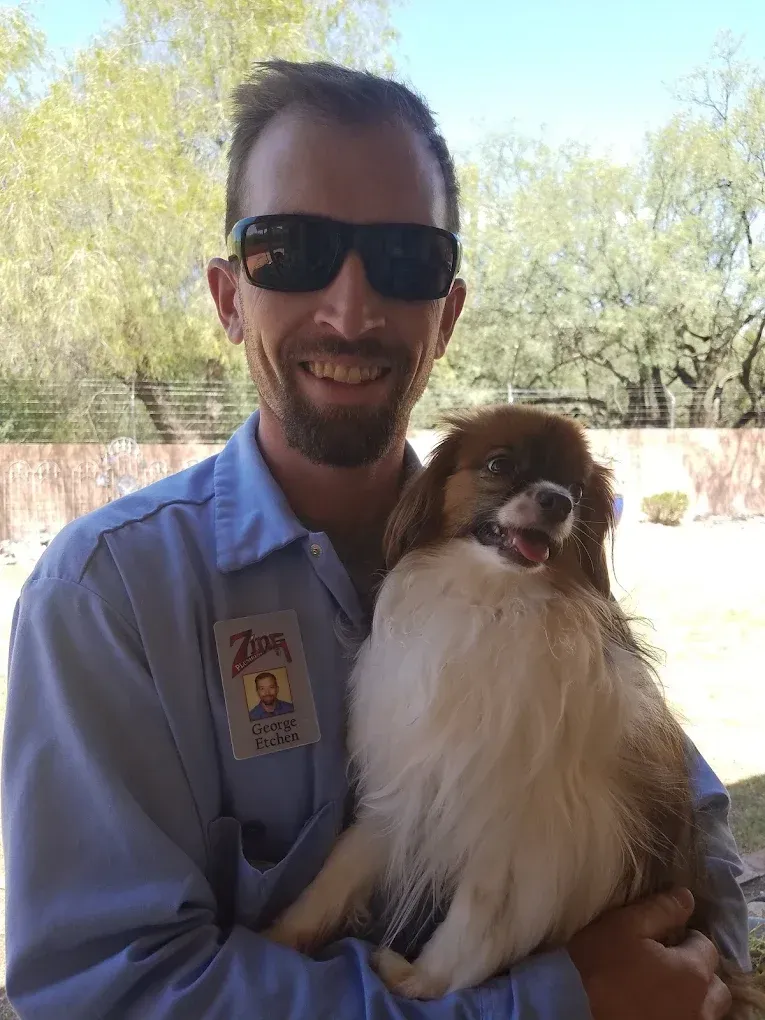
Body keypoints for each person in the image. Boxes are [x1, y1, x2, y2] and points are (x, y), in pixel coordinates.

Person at [1, 60, 750, 1020]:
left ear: (447, 311)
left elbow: (691, 820)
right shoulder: (110, 600)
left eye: (404, 261)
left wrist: (694, 972)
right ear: (230, 297)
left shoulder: (539, 584)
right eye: (291, 249)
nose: (351, 311)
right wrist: (549, 1006)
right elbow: (107, 991)